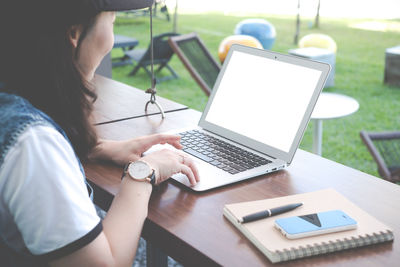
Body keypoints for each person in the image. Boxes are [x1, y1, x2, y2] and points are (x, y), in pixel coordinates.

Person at [0, 0, 199, 266]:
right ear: (74, 34)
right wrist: (142, 172)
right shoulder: (32, 143)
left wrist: (94, 147)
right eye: (112, 22)